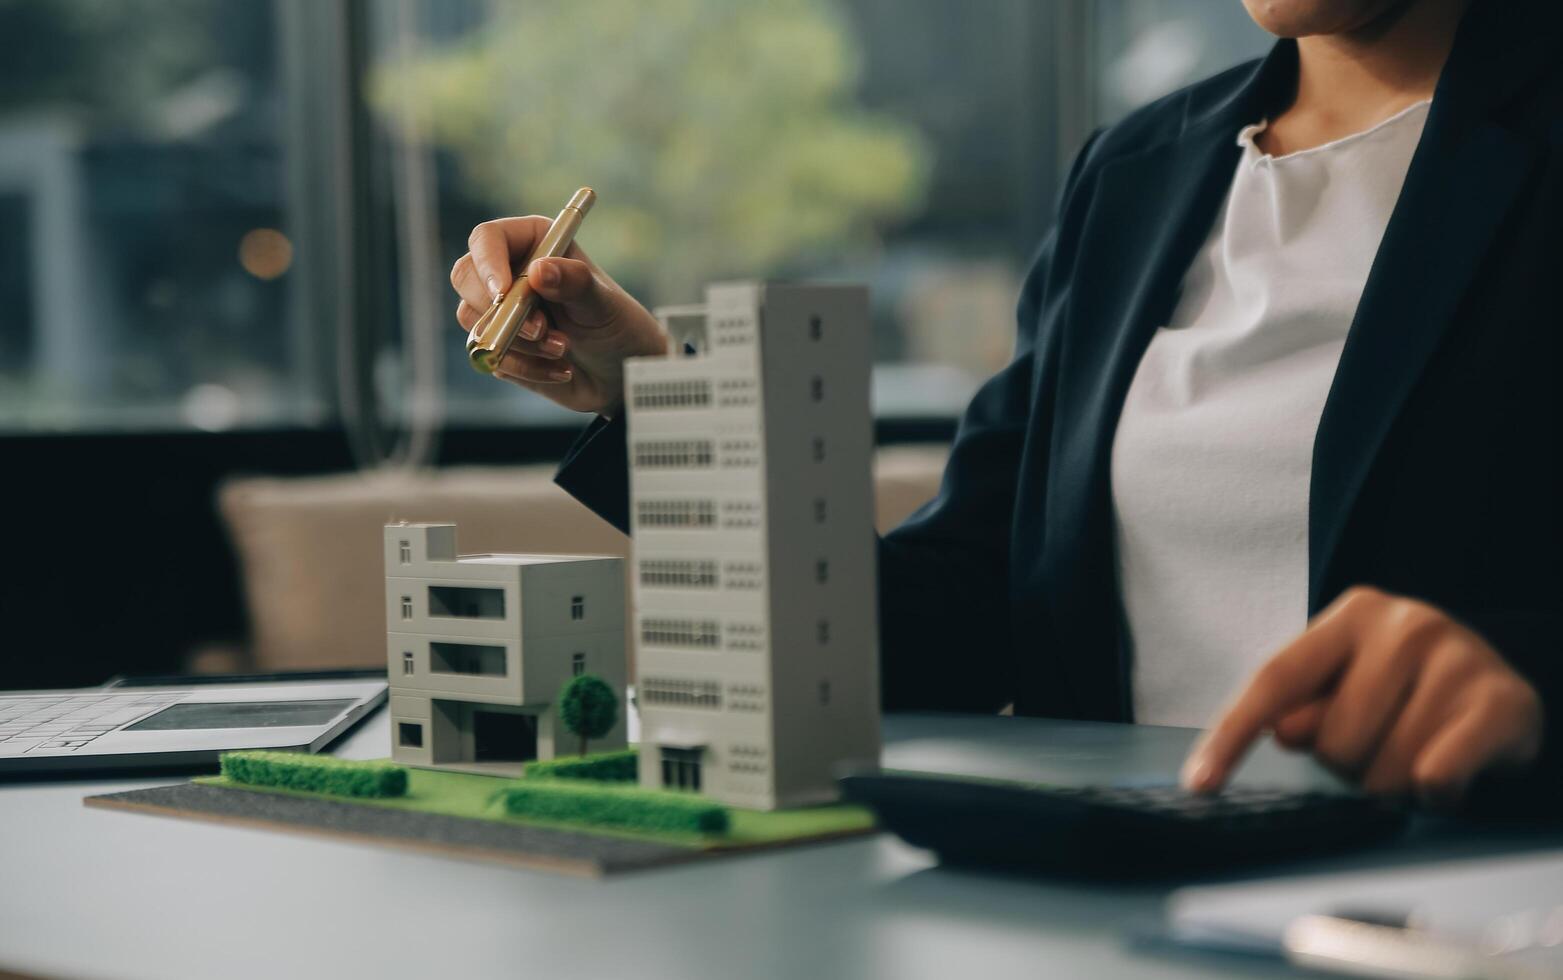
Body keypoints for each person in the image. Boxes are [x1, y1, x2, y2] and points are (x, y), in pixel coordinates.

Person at [448, 0, 1563, 811]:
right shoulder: (1136, 170)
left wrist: (1527, 681)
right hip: (1113, 893)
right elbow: (945, 628)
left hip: (1450, 899)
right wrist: (658, 387)